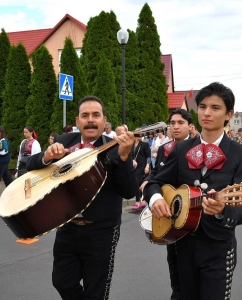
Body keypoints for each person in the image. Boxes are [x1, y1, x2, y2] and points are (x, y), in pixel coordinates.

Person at [143, 82, 242, 300]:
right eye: (203, 106)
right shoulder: (182, 148)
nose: (206, 112)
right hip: (181, 242)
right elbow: (154, 182)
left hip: (218, 247)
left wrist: (223, 209)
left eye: (215, 108)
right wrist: (156, 199)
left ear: (228, 114)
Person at [26, 95, 138, 299]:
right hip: (67, 226)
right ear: (77, 121)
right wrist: (47, 156)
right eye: (85, 115)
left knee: (96, 291)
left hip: (102, 229)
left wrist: (124, 158)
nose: (90, 120)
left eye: (96, 115)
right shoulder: (63, 141)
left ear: (104, 121)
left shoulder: (117, 147)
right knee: (62, 281)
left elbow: (129, 191)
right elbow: (30, 165)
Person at [140, 108, 193, 300]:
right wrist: (149, 180)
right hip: (168, 210)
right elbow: (158, 174)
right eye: (172, 123)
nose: (176, 127)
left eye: (181, 123)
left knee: (191, 267)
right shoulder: (165, 148)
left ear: (190, 126)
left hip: (190, 210)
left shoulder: (196, 148)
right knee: (174, 259)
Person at [131, 134, 151, 210]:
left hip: (142, 166)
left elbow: (148, 156)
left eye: (141, 135)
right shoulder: (131, 144)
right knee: (140, 183)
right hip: (133, 166)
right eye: (138, 134)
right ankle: (144, 200)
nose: (140, 136)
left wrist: (147, 166)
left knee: (136, 181)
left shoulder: (144, 144)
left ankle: (137, 201)